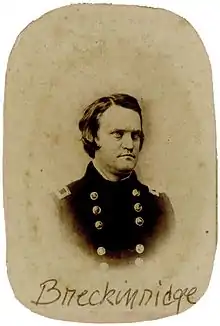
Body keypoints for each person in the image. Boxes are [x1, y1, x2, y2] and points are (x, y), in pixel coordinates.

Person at [54, 94, 174, 266]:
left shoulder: (158, 206)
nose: (129, 145)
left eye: (135, 135)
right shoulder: (62, 206)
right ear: (93, 136)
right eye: (118, 134)